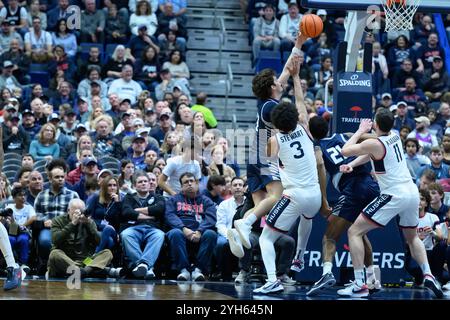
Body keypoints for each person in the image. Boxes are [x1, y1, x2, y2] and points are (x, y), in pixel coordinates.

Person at [338, 109, 443, 298]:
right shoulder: (394, 137)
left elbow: (345, 150)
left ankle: (360, 284)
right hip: (412, 192)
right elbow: (371, 154)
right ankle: (428, 274)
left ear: (376, 124)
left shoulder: (374, 142)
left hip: (394, 194)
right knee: (412, 238)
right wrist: (352, 165)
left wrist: (360, 130)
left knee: (354, 231)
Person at [228, 33, 309, 257]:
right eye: (277, 81)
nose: (280, 81)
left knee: (264, 205)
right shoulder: (270, 108)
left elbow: (285, 70)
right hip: (264, 156)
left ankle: (240, 228)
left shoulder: (268, 100)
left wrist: (299, 44)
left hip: (254, 157)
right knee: (277, 195)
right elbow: (293, 123)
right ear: (272, 87)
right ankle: (244, 223)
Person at [248, 55, 321, 294]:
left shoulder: (275, 140)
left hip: (295, 196)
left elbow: (264, 157)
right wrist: (297, 76)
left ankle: (272, 280)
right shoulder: (305, 129)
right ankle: (299, 257)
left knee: (265, 238)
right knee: (307, 220)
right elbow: (301, 103)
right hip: (316, 196)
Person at [306, 116, 381, 296]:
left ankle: (327, 274)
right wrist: (365, 132)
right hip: (372, 186)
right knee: (359, 233)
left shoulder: (316, 148)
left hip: (353, 188)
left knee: (330, 237)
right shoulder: (344, 135)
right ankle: (371, 280)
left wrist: (323, 202)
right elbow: (376, 140)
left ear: (310, 132)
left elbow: (320, 166)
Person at [165, 172, 217, 281]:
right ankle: (183, 270)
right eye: (185, 182)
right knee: (175, 233)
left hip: (200, 232)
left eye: (191, 181)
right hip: (180, 230)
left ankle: (198, 270)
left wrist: (200, 231)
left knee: (211, 234)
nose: (189, 184)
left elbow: (211, 218)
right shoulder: (173, 199)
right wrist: (183, 228)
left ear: (196, 184)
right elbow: (169, 216)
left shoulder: (206, 200)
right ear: (181, 186)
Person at [47, 198, 113, 278]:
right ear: (68, 210)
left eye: (81, 212)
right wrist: (72, 224)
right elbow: (55, 240)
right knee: (54, 254)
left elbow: (99, 242)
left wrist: (89, 225)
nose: (79, 215)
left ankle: (83, 272)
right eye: (75, 212)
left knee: (107, 253)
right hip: (66, 259)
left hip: (85, 262)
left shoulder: (88, 222)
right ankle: (90, 271)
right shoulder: (58, 220)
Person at [120, 171, 165, 279]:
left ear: (149, 184)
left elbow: (159, 209)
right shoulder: (129, 197)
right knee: (125, 235)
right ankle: (147, 267)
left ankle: (143, 265)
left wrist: (136, 211)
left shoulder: (158, 197)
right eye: (140, 182)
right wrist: (150, 215)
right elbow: (126, 212)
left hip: (152, 229)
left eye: (146, 181)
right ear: (135, 186)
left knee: (160, 235)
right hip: (134, 228)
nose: (144, 183)